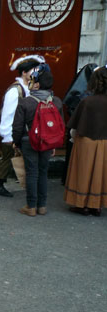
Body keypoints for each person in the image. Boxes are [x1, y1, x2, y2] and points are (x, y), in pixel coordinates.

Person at [12, 64, 63, 217]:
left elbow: (17, 126)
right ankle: (42, 206)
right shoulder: (57, 101)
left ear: (38, 84)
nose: (30, 83)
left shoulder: (26, 102)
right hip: (48, 141)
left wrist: (17, 142)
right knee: (43, 172)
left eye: (33, 81)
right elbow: (60, 125)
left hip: (30, 141)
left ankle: (31, 206)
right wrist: (54, 144)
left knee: (32, 172)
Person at [0, 55, 39, 198]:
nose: (36, 73)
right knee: (7, 158)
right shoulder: (15, 90)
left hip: (21, 131)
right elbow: (7, 114)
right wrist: (8, 135)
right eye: (33, 70)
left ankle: (7, 183)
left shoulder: (28, 88)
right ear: (24, 72)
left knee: (12, 158)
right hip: (12, 132)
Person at [63, 66, 107, 216]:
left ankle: (81, 204)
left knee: (83, 170)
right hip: (104, 142)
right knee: (100, 173)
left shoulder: (88, 101)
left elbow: (74, 126)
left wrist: (72, 136)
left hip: (86, 140)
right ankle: (96, 205)